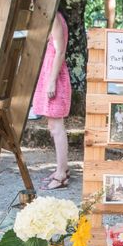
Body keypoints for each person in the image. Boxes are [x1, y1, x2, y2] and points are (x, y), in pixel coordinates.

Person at [33, 11, 72, 190]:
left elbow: (60, 51)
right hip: (51, 74)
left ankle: (61, 174)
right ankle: (62, 168)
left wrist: (51, 81)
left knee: (57, 127)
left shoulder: (55, 17)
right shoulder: (52, 16)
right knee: (53, 126)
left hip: (54, 76)